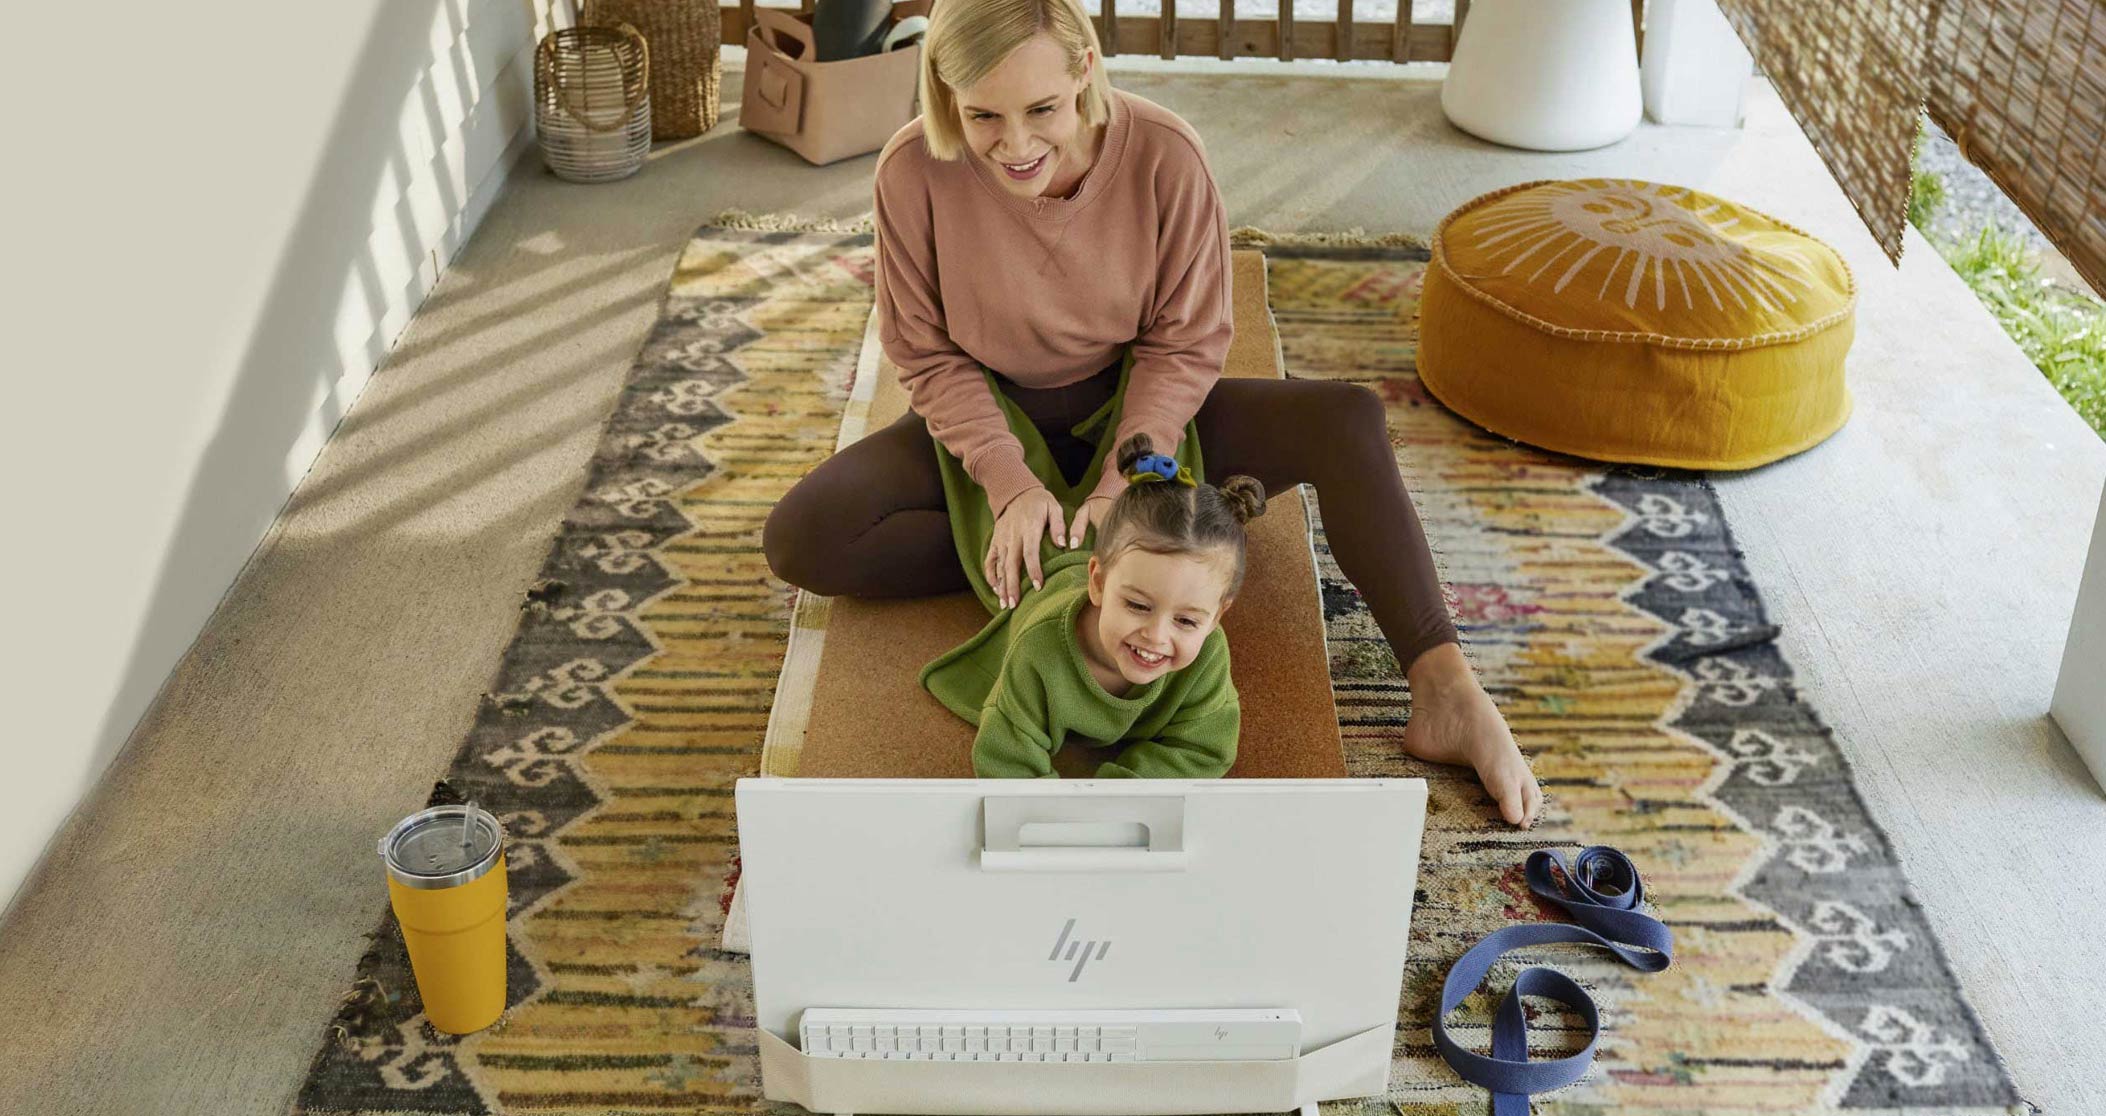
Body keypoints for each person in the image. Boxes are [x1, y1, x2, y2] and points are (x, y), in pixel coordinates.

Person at [761, 0, 1542, 826]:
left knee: (1346, 419)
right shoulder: (913, 169)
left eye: (1042, 111)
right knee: (802, 537)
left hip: (1141, 403)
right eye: (981, 114)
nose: (1015, 146)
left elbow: (1188, 341)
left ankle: (1445, 689)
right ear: (945, 93)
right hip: (994, 409)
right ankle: (1065, 556)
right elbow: (923, 351)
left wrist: (1124, 478)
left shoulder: (1166, 155)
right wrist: (1007, 483)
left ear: (1084, 74)